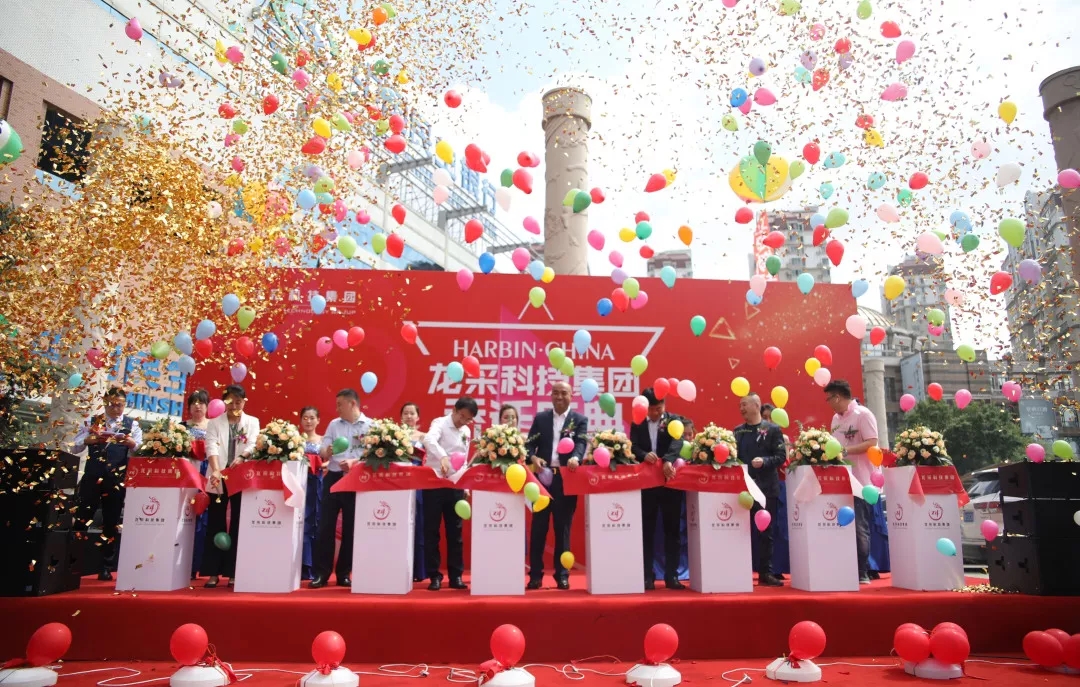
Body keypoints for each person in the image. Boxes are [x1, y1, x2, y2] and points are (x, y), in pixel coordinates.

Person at [72, 387, 143, 581]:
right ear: (105, 403)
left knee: (111, 522)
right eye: (111, 404)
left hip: (116, 479)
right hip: (93, 475)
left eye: (119, 405)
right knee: (82, 518)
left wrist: (131, 443)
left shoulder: (132, 424)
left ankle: (105, 566)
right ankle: (72, 563)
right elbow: (75, 446)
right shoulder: (92, 421)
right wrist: (89, 439)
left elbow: (140, 449)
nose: (115, 408)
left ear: (124, 405)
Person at [525, 382, 587, 590]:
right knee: (538, 528)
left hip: (565, 478)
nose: (559, 397)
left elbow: (581, 443)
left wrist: (576, 458)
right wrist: (533, 457)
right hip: (542, 479)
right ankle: (535, 575)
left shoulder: (579, 420)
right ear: (551, 396)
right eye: (555, 393)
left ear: (571, 395)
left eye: (563, 393)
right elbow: (529, 445)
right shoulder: (541, 418)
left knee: (563, 529)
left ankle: (562, 575)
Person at [311, 389, 371, 588]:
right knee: (325, 526)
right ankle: (321, 573)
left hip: (356, 479)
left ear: (352, 404)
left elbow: (374, 454)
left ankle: (344, 573)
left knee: (351, 527)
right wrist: (326, 451)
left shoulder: (370, 426)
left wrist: (355, 462)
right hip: (334, 478)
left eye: (340, 405)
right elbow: (323, 449)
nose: (337, 409)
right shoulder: (334, 425)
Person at [202, 384, 260, 588]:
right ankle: (213, 572)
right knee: (215, 522)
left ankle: (234, 571)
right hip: (218, 476)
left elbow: (253, 444)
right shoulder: (214, 422)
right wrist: (216, 470)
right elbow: (211, 446)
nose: (234, 406)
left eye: (238, 402)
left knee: (239, 521)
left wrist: (243, 457)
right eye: (230, 402)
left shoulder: (252, 421)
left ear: (244, 402)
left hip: (241, 476)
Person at [823, 379, 880, 585]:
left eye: (829, 399)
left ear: (838, 397)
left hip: (861, 481)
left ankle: (862, 571)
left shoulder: (863, 414)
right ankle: (843, 568)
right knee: (839, 526)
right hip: (839, 482)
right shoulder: (835, 419)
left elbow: (872, 442)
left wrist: (845, 451)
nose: (828, 403)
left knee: (859, 527)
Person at [630, 388, 684, 590]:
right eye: (651, 409)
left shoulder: (673, 420)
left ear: (664, 405)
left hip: (670, 482)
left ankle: (672, 576)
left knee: (672, 531)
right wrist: (643, 454)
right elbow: (633, 446)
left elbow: (678, 442)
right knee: (647, 530)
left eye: (658, 409)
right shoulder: (638, 422)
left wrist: (668, 460)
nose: (654, 413)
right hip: (647, 485)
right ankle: (647, 576)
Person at [421, 396, 477, 591]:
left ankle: (456, 576)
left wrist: (466, 486)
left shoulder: (466, 431)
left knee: (456, 533)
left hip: (455, 485)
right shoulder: (440, 423)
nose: (463, 422)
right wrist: (443, 457)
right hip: (434, 484)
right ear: (454, 410)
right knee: (431, 532)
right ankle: (434, 576)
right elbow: (428, 440)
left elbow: (464, 460)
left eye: (468, 419)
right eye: (462, 416)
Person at [734, 392, 786, 587]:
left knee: (766, 533)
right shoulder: (738, 431)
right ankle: (739, 570)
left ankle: (766, 572)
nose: (741, 408)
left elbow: (781, 456)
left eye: (744, 404)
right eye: (740, 405)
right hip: (743, 489)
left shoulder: (772, 429)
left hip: (766, 488)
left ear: (756, 405)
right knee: (739, 531)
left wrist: (764, 461)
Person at [183, 389, 210, 580]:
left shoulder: (214, 427)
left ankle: (196, 565)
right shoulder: (181, 427)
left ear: (207, 407)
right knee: (185, 515)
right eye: (194, 402)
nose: (197, 406)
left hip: (206, 473)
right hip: (187, 473)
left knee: (203, 519)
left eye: (201, 402)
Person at [400, 402, 426, 583]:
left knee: (418, 522)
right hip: (400, 480)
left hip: (417, 480)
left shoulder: (424, 437)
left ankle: (419, 569)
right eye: (405, 413)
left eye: (412, 413)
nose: (409, 416)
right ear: (401, 417)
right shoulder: (394, 436)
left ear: (418, 417)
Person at [299, 406, 322, 581]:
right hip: (299, 485)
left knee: (316, 522)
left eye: (312, 418)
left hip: (317, 484)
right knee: (300, 522)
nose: (308, 421)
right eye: (305, 418)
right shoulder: (294, 440)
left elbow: (331, 461)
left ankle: (313, 566)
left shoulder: (323, 440)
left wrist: (321, 465)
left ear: (318, 420)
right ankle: (300, 565)